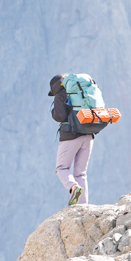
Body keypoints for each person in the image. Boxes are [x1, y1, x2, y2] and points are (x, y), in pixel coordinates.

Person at [50, 73, 93, 205]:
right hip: (88, 134)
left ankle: (73, 187)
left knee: (61, 168)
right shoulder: (81, 91)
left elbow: (60, 116)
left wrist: (53, 112)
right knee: (80, 173)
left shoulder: (60, 95)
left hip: (70, 136)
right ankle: (83, 205)